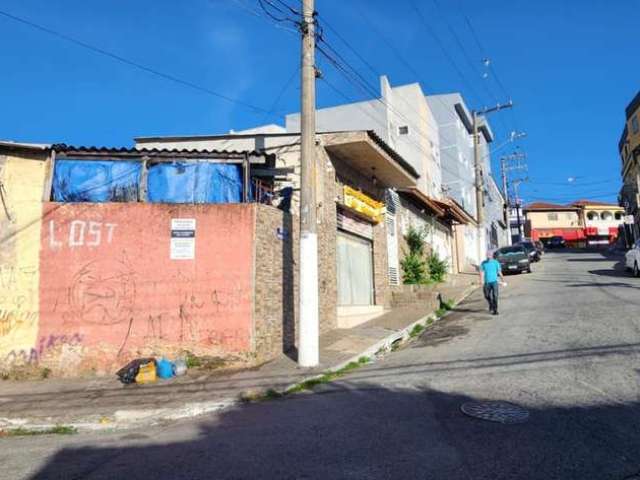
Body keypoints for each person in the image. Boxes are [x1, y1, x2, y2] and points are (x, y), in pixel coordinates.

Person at [480, 250, 503, 315]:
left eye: (489, 255)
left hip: (494, 282)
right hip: (487, 282)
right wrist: (481, 280)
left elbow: (499, 272)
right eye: (487, 255)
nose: (488, 257)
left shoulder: (496, 263)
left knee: (495, 296)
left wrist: (502, 279)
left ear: (492, 256)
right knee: (486, 295)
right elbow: (481, 272)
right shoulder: (483, 263)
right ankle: (491, 304)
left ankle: (495, 310)